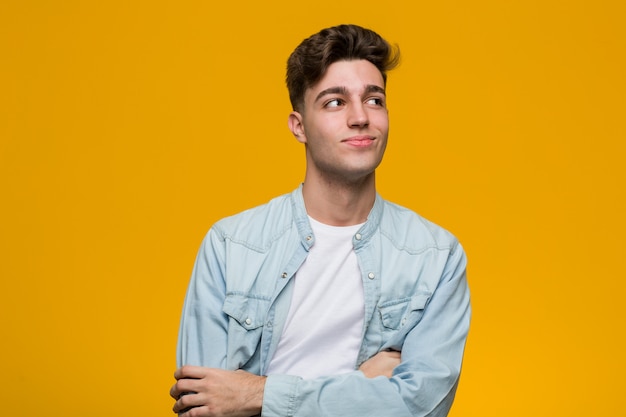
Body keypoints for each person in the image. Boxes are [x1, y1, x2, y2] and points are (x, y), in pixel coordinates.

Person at [170, 24, 471, 417]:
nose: (361, 117)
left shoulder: (436, 257)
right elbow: (202, 405)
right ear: (299, 126)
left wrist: (258, 394)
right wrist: (362, 385)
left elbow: (421, 407)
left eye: (374, 99)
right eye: (335, 102)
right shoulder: (230, 245)